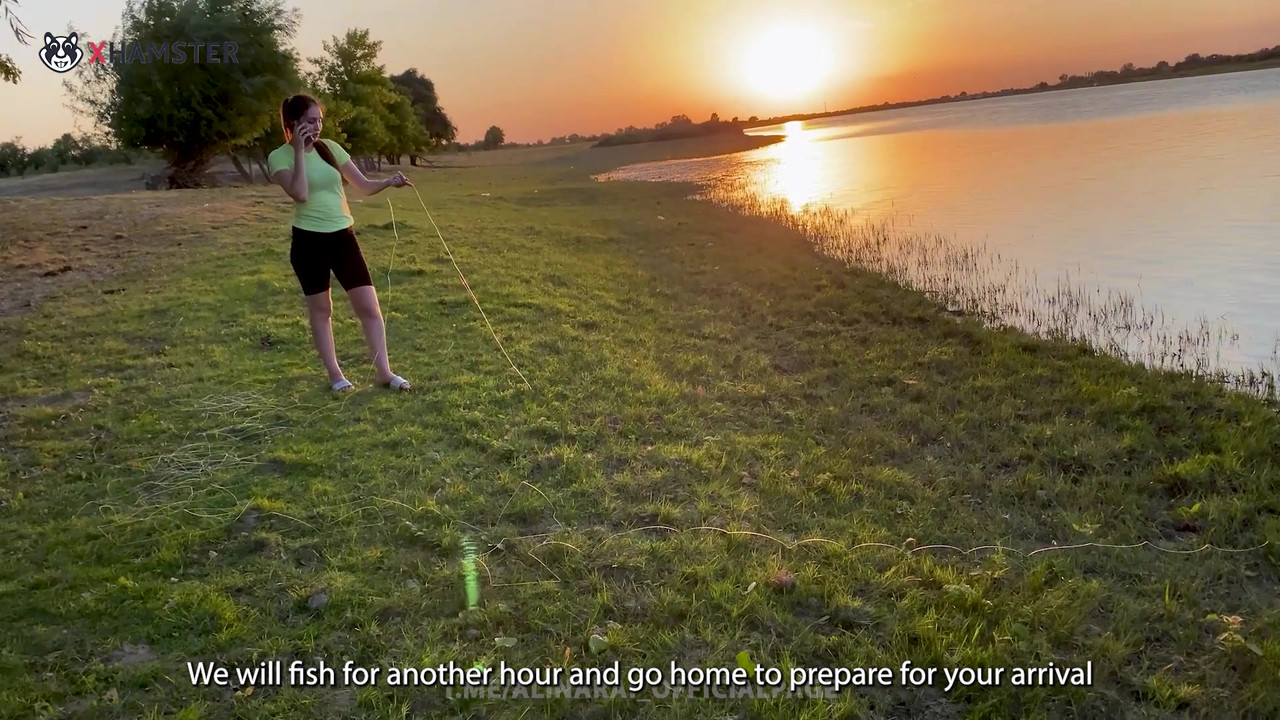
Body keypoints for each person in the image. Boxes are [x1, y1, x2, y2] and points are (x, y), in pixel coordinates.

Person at [267, 93, 414, 393]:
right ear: (292, 124)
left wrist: (388, 182)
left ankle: (384, 373)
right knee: (322, 310)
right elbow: (300, 194)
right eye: (310, 121)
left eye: (319, 120)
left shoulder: (331, 148)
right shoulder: (278, 157)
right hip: (309, 241)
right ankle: (336, 376)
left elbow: (361, 185)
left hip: (343, 236)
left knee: (369, 306)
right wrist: (298, 151)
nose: (317, 126)